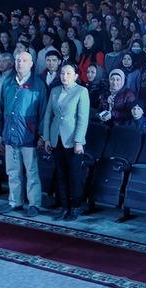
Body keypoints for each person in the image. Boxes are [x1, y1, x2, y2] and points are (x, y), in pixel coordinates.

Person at [0, 51, 47, 217]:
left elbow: (44, 112)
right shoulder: (8, 82)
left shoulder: (38, 85)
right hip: (10, 134)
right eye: (17, 60)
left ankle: (34, 204)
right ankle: (14, 201)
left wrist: (42, 135)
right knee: (12, 171)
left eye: (24, 60)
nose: (20, 63)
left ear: (31, 64)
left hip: (29, 136)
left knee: (31, 172)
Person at [41, 63, 90, 221]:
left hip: (72, 140)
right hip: (56, 139)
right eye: (62, 73)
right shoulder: (55, 90)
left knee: (74, 175)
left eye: (69, 73)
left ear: (76, 76)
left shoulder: (81, 91)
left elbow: (83, 119)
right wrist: (47, 138)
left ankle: (75, 206)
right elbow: (48, 116)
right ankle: (64, 207)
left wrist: (78, 141)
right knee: (61, 175)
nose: (64, 76)